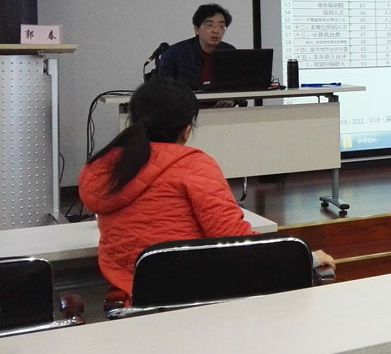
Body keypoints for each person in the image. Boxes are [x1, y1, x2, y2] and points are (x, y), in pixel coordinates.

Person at [78, 78, 334, 295]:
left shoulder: (108, 167)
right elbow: (235, 241)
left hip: (133, 296)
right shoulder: (193, 165)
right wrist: (306, 257)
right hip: (198, 296)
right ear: (187, 130)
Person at [157, 3, 236, 88]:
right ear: (197, 29)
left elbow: (237, 85)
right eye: (210, 25)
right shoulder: (174, 54)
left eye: (221, 26)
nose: (216, 31)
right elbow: (164, 89)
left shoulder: (230, 52)